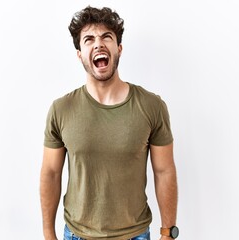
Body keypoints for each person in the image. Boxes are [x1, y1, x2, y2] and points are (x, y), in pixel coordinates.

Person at [40, 6, 179, 240]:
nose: (98, 44)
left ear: (119, 48)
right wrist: (48, 234)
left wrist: (168, 233)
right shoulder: (61, 109)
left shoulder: (151, 106)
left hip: (135, 235)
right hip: (76, 235)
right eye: (89, 39)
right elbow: (51, 173)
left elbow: (164, 171)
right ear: (80, 54)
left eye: (107, 37)